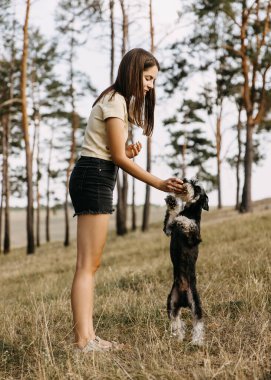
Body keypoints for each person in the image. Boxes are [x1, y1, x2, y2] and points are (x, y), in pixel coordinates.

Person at [69, 48, 185, 353]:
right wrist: (159, 182)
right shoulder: (115, 101)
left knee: (90, 264)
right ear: (134, 72)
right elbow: (117, 157)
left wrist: (124, 153)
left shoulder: (114, 100)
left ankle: (88, 337)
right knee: (86, 265)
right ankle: (84, 341)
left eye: (153, 80)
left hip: (96, 173)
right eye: (148, 78)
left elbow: (114, 151)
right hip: (94, 177)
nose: (150, 85)